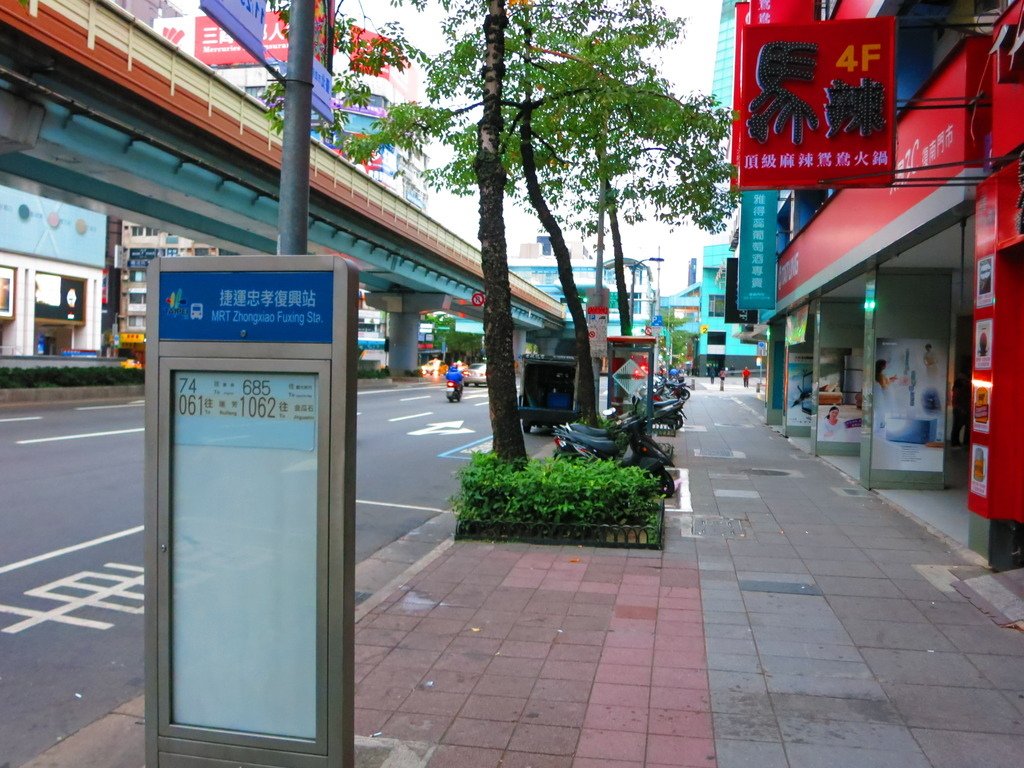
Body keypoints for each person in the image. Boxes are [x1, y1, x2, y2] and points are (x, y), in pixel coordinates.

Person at [950, 369, 970, 447]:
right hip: (961, 408)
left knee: (958, 427)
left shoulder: (959, 383)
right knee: (958, 427)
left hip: (960, 408)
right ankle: (957, 443)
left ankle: (957, 443)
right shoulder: (961, 384)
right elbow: (958, 397)